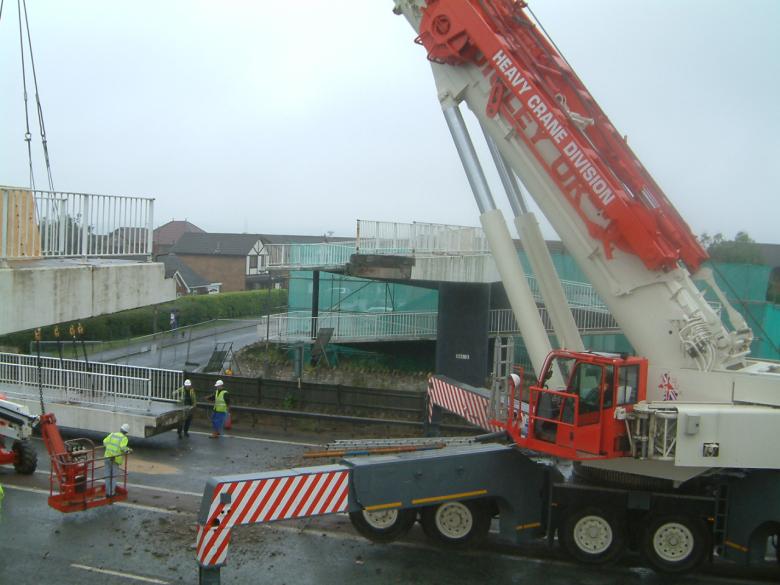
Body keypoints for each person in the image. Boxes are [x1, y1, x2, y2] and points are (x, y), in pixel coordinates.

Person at [103, 423, 131, 497]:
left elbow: (104, 442)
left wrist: (110, 449)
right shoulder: (124, 438)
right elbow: (123, 447)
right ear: (126, 432)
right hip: (114, 459)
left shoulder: (112, 434)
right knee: (113, 476)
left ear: (120, 429)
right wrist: (128, 450)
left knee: (107, 475)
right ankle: (111, 493)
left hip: (107, 457)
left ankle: (107, 492)